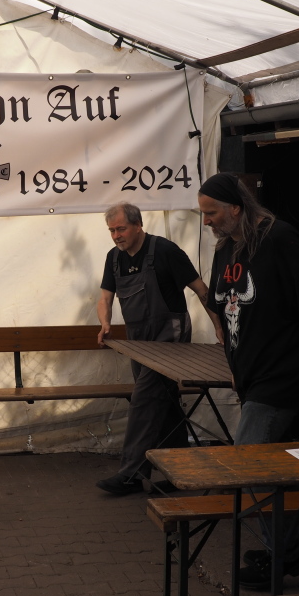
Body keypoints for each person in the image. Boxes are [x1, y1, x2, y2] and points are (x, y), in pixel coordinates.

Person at [198, 172, 299, 590]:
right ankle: (296, 546)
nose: (206, 221)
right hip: (252, 377)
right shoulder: (226, 249)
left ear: (236, 208)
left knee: (250, 463)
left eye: (211, 213)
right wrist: (234, 363)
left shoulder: (280, 239)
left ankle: (282, 553)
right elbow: (220, 307)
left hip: (284, 374)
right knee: (276, 465)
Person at [96, 202, 209, 495]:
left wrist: (221, 327)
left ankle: (131, 474)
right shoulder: (114, 259)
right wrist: (105, 323)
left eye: (121, 229)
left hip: (170, 337)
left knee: (144, 398)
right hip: (139, 341)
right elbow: (105, 298)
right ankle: (181, 470)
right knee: (165, 401)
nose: (116, 236)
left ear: (138, 225)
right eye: (111, 230)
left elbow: (201, 290)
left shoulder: (165, 251)